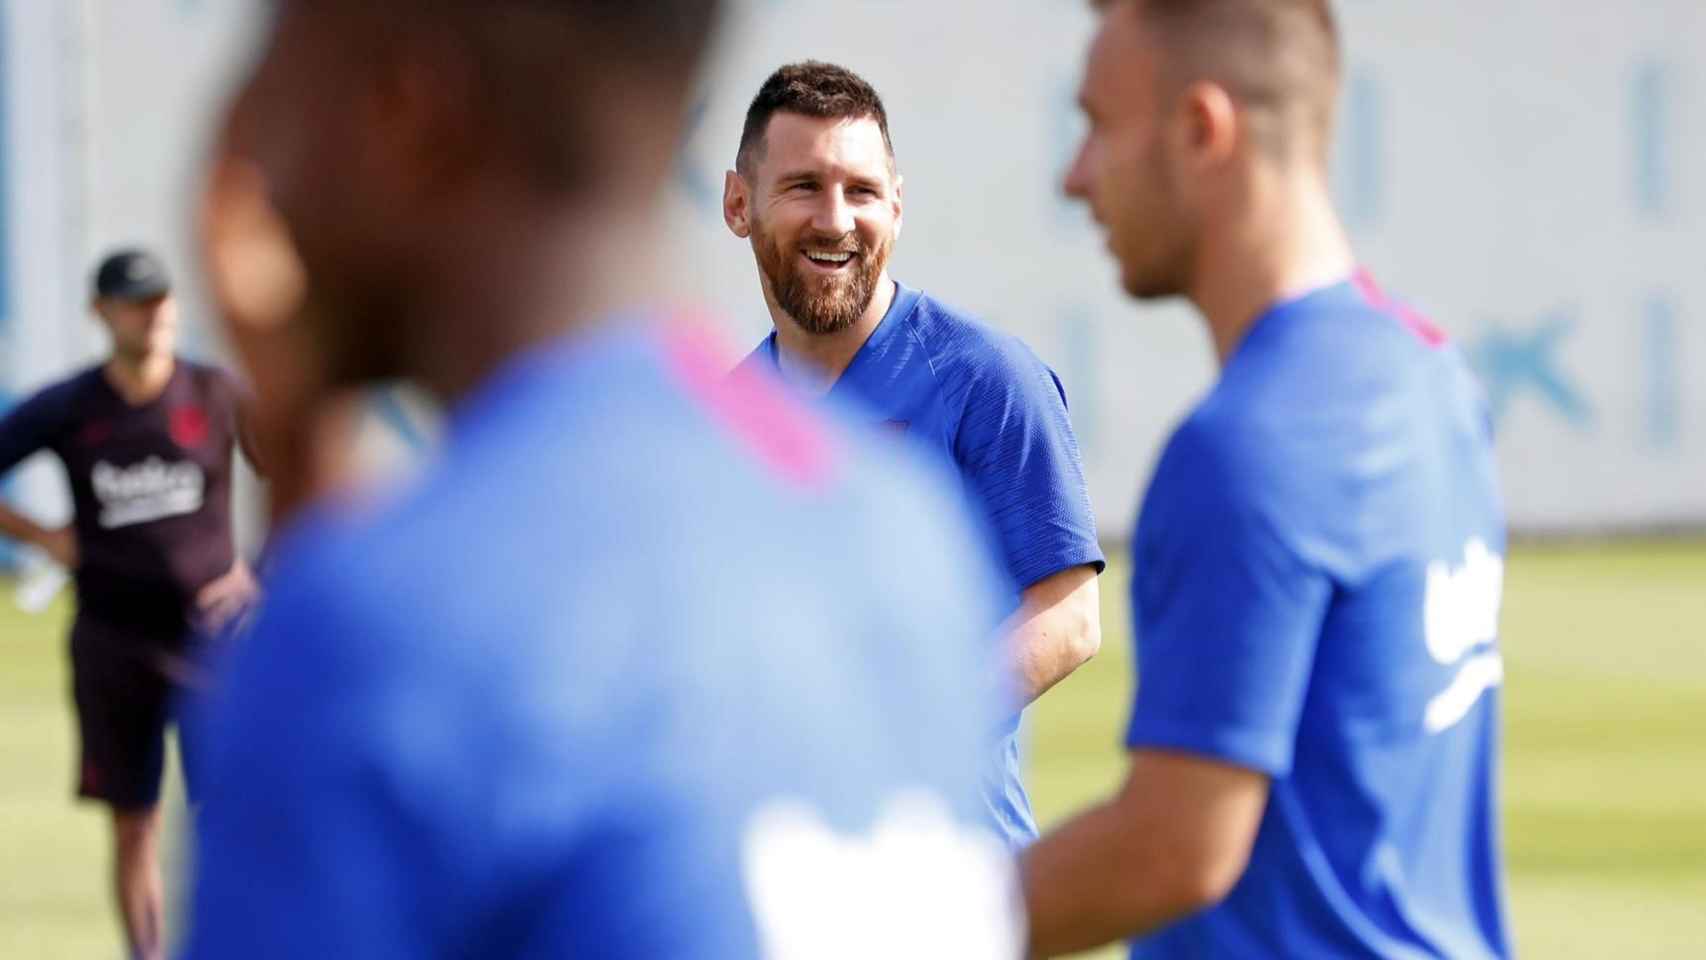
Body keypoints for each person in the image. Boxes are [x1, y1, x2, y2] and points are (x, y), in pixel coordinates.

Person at [184, 3, 1025, 957]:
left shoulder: (366, 634)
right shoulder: (899, 534)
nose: (259, 163)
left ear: (401, 111)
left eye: (274, 87)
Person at [1021, 1, 1510, 956]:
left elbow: (1173, 851)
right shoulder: (1431, 376)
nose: (1074, 175)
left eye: (1097, 125)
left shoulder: (1247, 448)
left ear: (1203, 130)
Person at [725, 61, 1106, 849]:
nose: (836, 219)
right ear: (739, 203)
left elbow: (1069, 618)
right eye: (803, 186)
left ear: (896, 205)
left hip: (950, 879)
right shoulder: (724, 417)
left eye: (861, 190)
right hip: (780, 883)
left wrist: (901, 731)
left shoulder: (986, 378)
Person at [0, 248, 256, 960]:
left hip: (211, 643)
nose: (156, 314)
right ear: (103, 312)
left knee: (226, 819)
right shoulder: (72, 407)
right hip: (114, 643)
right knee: (134, 823)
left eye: (163, 300)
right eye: (138, 302)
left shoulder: (214, 394)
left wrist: (258, 573)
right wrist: (41, 537)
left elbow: (310, 470)